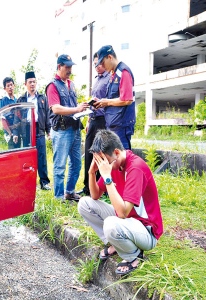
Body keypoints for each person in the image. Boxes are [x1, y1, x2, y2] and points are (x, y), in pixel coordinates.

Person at [78, 130, 163, 275]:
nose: (104, 165)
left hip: (146, 231)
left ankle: (133, 255)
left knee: (111, 224)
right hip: (127, 222)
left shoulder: (135, 167)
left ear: (116, 152)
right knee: (84, 204)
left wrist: (107, 177)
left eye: (105, 160)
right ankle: (117, 244)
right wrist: (91, 173)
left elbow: (123, 213)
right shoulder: (114, 164)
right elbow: (95, 195)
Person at [45, 54, 89, 201]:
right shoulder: (52, 86)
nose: (70, 70)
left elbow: (71, 106)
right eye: (67, 67)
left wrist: (82, 108)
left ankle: (69, 191)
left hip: (75, 128)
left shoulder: (71, 84)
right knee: (60, 166)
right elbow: (56, 108)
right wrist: (77, 109)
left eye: (71, 67)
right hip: (62, 130)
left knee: (76, 163)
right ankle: (58, 197)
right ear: (59, 67)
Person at [13, 71, 52, 190]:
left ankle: (44, 182)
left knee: (41, 157)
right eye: (30, 82)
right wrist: (15, 133)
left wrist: (48, 131)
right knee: (27, 158)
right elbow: (16, 116)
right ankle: (28, 181)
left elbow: (47, 115)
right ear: (25, 84)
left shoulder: (42, 98)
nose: (32, 84)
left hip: (39, 130)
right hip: (26, 131)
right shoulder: (21, 99)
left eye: (34, 82)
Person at [93, 45, 135, 150]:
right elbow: (113, 98)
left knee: (122, 159)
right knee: (114, 161)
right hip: (112, 125)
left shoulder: (123, 72)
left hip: (121, 126)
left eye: (103, 63)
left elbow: (127, 99)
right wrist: (102, 102)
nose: (102, 66)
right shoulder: (113, 74)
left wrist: (107, 102)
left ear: (110, 57)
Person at [79, 52, 110, 196]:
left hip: (104, 121)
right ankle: (87, 187)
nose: (97, 66)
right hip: (93, 119)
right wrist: (88, 120)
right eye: (95, 64)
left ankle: (100, 188)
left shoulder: (110, 78)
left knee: (101, 154)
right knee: (89, 153)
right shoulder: (97, 80)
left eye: (99, 63)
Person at [0, 77, 20, 149]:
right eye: (8, 86)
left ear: (14, 85)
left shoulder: (17, 100)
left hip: (18, 131)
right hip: (10, 133)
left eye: (11, 85)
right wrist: (10, 133)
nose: (10, 87)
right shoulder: (3, 101)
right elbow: (3, 119)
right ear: (5, 88)